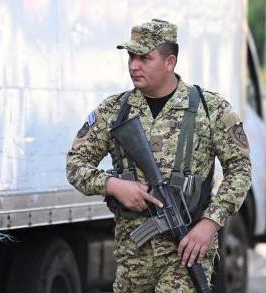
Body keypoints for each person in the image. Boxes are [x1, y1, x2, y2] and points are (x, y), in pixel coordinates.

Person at [66, 19, 251, 292]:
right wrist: (113, 185)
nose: (133, 65)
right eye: (131, 56)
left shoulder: (209, 109)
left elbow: (240, 168)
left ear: (170, 61)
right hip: (132, 256)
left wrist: (211, 222)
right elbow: (75, 165)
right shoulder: (115, 110)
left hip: (187, 252)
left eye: (144, 57)